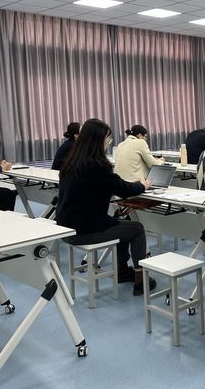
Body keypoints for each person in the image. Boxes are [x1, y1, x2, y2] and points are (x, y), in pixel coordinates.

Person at [56, 118, 155, 296]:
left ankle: (123, 271)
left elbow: (111, 183)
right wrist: (142, 186)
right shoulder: (97, 165)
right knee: (137, 229)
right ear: (98, 140)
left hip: (65, 227)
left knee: (121, 225)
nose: (109, 142)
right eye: (107, 138)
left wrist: (127, 183)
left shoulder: (71, 162)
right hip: (84, 230)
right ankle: (141, 280)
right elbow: (123, 190)